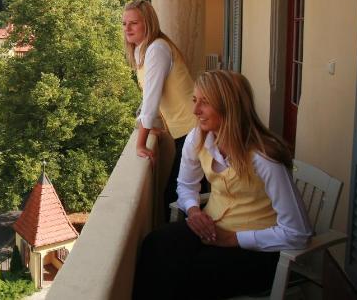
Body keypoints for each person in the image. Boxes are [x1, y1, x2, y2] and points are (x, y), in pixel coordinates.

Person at [133, 70, 313, 299]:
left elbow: (298, 233)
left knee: (185, 275)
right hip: (212, 230)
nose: (195, 110)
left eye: (205, 103)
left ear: (229, 107)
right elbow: (186, 185)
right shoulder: (198, 137)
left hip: (257, 250)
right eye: (195, 100)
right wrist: (194, 210)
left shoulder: (264, 158)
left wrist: (232, 239)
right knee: (155, 245)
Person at [122, 0, 197, 212]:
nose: (127, 28)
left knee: (174, 197)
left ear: (149, 24)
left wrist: (141, 143)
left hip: (196, 131)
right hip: (189, 131)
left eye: (133, 23)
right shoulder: (143, 50)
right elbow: (154, 98)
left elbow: (151, 101)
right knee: (182, 195)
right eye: (124, 23)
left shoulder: (156, 49)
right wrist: (157, 124)